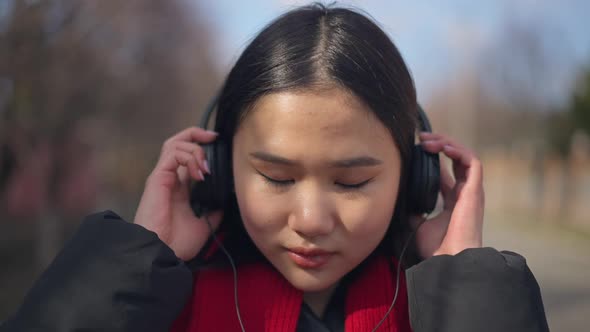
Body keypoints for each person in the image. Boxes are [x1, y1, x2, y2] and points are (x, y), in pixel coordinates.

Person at [1, 3, 548, 332]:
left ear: (415, 180)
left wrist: (467, 280)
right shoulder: (156, 306)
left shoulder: (439, 312)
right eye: (277, 177)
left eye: (353, 181)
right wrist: (132, 262)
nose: (310, 219)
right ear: (218, 165)